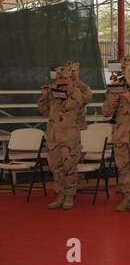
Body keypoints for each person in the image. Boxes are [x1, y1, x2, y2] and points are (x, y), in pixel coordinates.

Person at [102, 55, 130, 213]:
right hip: (120, 134)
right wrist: (112, 104)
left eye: (129, 68)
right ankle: (126, 196)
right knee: (123, 168)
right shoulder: (115, 85)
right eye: (124, 68)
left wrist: (129, 97)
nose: (126, 71)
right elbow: (105, 112)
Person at [38, 66, 82, 210]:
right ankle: (60, 195)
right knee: (56, 168)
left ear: (69, 78)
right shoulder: (53, 93)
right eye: (59, 78)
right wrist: (45, 95)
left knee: (69, 167)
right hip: (53, 137)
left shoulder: (75, 92)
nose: (61, 80)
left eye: (64, 78)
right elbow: (43, 110)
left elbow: (68, 105)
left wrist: (60, 92)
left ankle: (70, 196)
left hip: (69, 138)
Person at [65, 61, 92, 130]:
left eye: (73, 71)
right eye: (68, 71)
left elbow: (78, 103)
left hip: (78, 126)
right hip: (64, 127)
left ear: (78, 71)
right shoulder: (63, 87)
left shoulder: (84, 88)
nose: (70, 73)